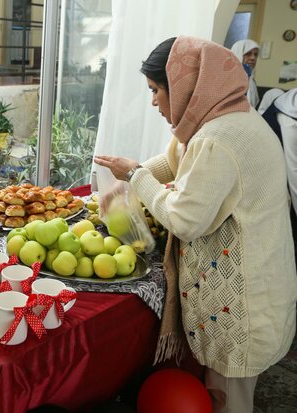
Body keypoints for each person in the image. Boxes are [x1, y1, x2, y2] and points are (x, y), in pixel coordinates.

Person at [95, 36, 297, 412]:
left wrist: (136, 175)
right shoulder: (228, 116)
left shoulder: (218, 138)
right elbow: (179, 162)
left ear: (185, 85)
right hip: (261, 289)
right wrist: (128, 180)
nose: (153, 101)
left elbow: (184, 220)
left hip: (245, 305)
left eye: (156, 90)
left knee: (229, 401)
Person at [230, 39, 260, 108]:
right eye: (248, 54)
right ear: (238, 53)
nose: (253, 58)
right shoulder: (229, 79)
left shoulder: (251, 81)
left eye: (256, 54)